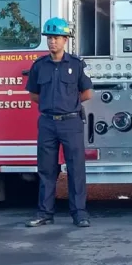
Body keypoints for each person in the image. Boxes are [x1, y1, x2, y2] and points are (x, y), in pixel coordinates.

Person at [25, 17, 94, 228]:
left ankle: (79, 213)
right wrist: (52, 105)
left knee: (76, 169)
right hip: (47, 123)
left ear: (65, 39)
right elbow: (34, 95)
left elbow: (88, 92)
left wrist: (69, 104)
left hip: (71, 123)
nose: (52, 42)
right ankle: (45, 213)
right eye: (49, 38)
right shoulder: (39, 66)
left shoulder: (76, 64)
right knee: (46, 170)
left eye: (56, 38)